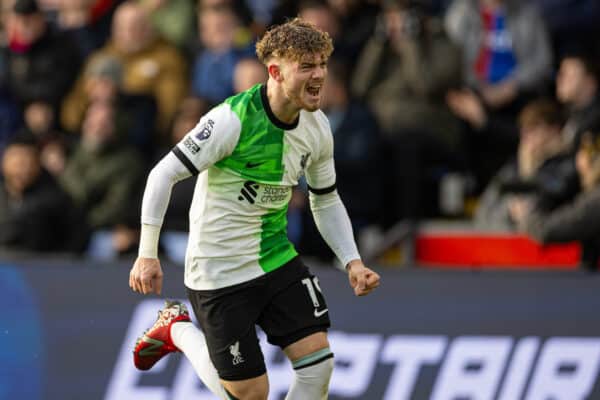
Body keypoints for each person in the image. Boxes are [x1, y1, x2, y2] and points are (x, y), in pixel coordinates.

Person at [128, 18, 380, 400]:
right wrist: (147, 253)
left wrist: (352, 261)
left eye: (322, 65)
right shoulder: (231, 120)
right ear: (276, 72)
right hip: (218, 268)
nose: (320, 76)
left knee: (319, 366)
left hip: (274, 256)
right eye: (307, 66)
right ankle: (176, 328)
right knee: (250, 395)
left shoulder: (318, 126)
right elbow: (162, 175)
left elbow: (324, 197)